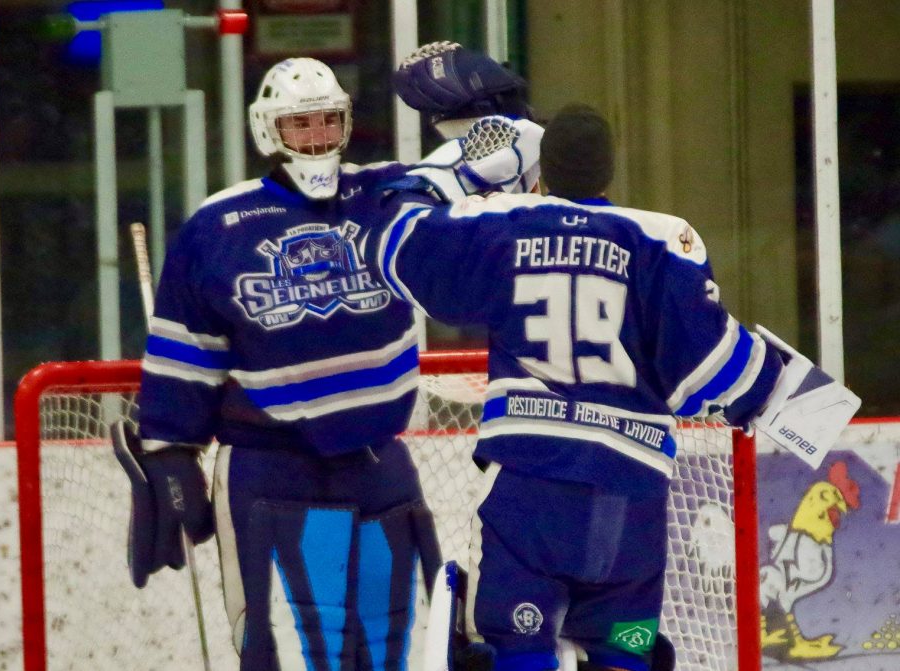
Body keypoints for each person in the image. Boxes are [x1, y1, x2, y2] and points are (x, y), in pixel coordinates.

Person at [368, 104, 856, 671]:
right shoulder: (660, 240)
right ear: (608, 171)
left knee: (516, 644)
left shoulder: (503, 223)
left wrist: (454, 172)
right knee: (625, 647)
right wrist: (788, 396)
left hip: (529, 488)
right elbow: (714, 369)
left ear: (542, 170)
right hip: (629, 501)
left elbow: (396, 241)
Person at [111, 54, 542, 671]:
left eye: (327, 121)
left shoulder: (391, 196)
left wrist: (489, 111)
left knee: (403, 649)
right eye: (299, 123)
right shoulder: (217, 227)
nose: (316, 137)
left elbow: (512, 164)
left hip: (379, 466)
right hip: (269, 471)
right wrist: (171, 453)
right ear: (268, 130)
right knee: (287, 653)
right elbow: (185, 353)